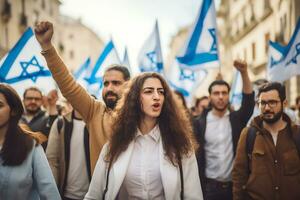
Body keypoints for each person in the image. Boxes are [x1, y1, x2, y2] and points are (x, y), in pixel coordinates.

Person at [84, 72, 203, 200]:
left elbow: (194, 196)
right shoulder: (114, 146)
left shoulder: (180, 145)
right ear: (135, 98)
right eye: (148, 91)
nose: (157, 96)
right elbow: (93, 195)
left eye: (161, 92)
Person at [34, 21, 130, 174]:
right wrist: (47, 47)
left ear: (129, 86)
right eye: (106, 83)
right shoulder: (95, 111)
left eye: (116, 83)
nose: (109, 88)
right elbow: (68, 84)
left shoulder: (141, 115)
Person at [193, 60, 255, 200]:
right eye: (216, 93)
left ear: (228, 95)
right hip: (209, 188)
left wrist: (244, 73)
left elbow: (249, 101)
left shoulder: (237, 119)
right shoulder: (198, 124)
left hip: (234, 188)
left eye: (224, 93)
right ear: (210, 97)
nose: (220, 97)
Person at [232, 82, 300, 200]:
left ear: (284, 103)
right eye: (263, 103)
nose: (267, 108)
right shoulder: (248, 135)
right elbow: (239, 177)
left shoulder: (297, 134)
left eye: (272, 102)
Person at [0, 83, 60, 200]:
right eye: (29, 98)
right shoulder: (21, 119)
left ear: (13, 110)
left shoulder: (33, 143)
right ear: (23, 100)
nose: (33, 101)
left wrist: (52, 107)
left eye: (37, 99)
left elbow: (49, 192)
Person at [47, 108, 91, 200]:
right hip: (66, 195)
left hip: (94, 195)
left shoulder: (99, 123)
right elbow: (52, 160)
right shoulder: (61, 123)